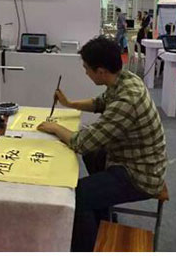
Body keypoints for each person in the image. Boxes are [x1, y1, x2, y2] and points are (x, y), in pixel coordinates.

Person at [37, 36, 166, 252]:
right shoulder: (125, 79)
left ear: (101, 71)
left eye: (87, 69)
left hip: (140, 175)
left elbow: (82, 142)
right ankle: (101, 214)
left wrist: (55, 127)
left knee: (76, 197)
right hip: (132, 158)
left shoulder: (127, 101)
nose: (86, 73)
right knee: (92, 155)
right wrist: (69, 103)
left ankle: (87, 247)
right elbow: (100, 103)